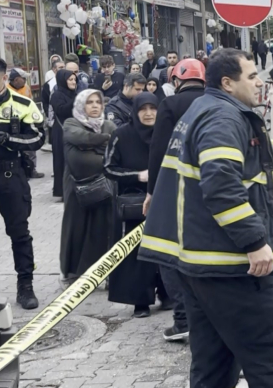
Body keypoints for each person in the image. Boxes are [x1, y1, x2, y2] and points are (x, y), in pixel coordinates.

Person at [139, 48, 273, 388]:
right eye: (252, 76)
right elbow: (221, 186)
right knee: (272, 354)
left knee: (213, 361)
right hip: (233, 266)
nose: (260, 83)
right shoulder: (224, 118)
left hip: (200, 264)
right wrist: (255, 241)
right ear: (227, 83)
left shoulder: (201, 109)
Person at [143, 58, 206, 342]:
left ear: (176, 81)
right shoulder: (215, 102)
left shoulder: (169, 105)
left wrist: (151, 192)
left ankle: (182, 320)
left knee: (168, 251)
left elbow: (158, 150)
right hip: (209, 188)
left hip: (174, 189)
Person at [105, 92, 169, 318]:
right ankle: (140, 300)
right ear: (135, 111)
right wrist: (137, 176)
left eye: (153, 108)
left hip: (163, 200)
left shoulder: (166, 134)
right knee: (136, 253)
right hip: (134, 203)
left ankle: (166, 293)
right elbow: (108, 168)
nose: (149, 113)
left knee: (164, 248)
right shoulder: (122, 135)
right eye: (143, 109)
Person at [0, 57, 45, 310]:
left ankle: (25, 286)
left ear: (4, 77)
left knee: (19, 233)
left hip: (10, 175)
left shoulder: (22, 104)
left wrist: (6, 139)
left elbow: (37, 138)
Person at [59, 89, 116, 282]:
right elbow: (78, 151)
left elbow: (115, 154)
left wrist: (91, 148)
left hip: (104, 185)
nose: (94, 106)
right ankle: (73, 273)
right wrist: (105, 142)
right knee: (77, 228)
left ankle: (104, 272)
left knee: (102, 227)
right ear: (81, 105)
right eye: (89, 102)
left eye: (98, 102)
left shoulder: (108, 125)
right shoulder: (71, 123)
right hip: (77, 184)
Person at [7, 69, 44, 179]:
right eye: (23, 78)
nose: (25, 80)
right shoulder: (6, 91)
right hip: (13, 123)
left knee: (30, 148)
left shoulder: (26, 88)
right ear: (16, 79)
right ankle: (22, 171)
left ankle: (32, 169)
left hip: (27, 122)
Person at [50, 70, 79, 198]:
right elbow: (61, 110)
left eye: (74, 80)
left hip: (75, 129)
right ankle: (62, 190)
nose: (73, 82)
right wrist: (75, 101)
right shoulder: (57, 95)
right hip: (61, 131)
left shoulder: (75, 93)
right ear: (63, 81)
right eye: (70, 80)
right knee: (62, 160)